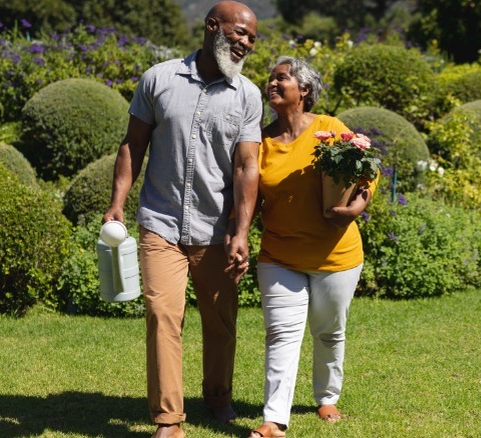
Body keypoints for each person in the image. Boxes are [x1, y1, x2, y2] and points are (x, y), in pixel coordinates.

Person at [102, 2, 261, 437]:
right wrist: (118, 202)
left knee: (221, 321)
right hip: (161, 221)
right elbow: (134, 144)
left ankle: (218, 397)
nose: (246, 43)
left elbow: (248, 167)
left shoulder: (247, 94)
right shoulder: (159, 78)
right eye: (240, 33)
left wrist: (241, 232)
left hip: (216, 230)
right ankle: (169, 419)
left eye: (252, 38)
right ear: (213, 27)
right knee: (162, 315)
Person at [247, 56, 377, 438]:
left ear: (304, 90)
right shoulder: (261, 141)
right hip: (279, 256)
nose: (272, 83)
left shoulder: (329, 128)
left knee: (328, 331)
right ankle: (274, 420)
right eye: (270, 79)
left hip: (336, 256)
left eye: (281, 78)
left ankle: (326, 396)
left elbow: (368, 169)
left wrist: (357, 205)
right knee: (281, 335)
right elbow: (250, 199)